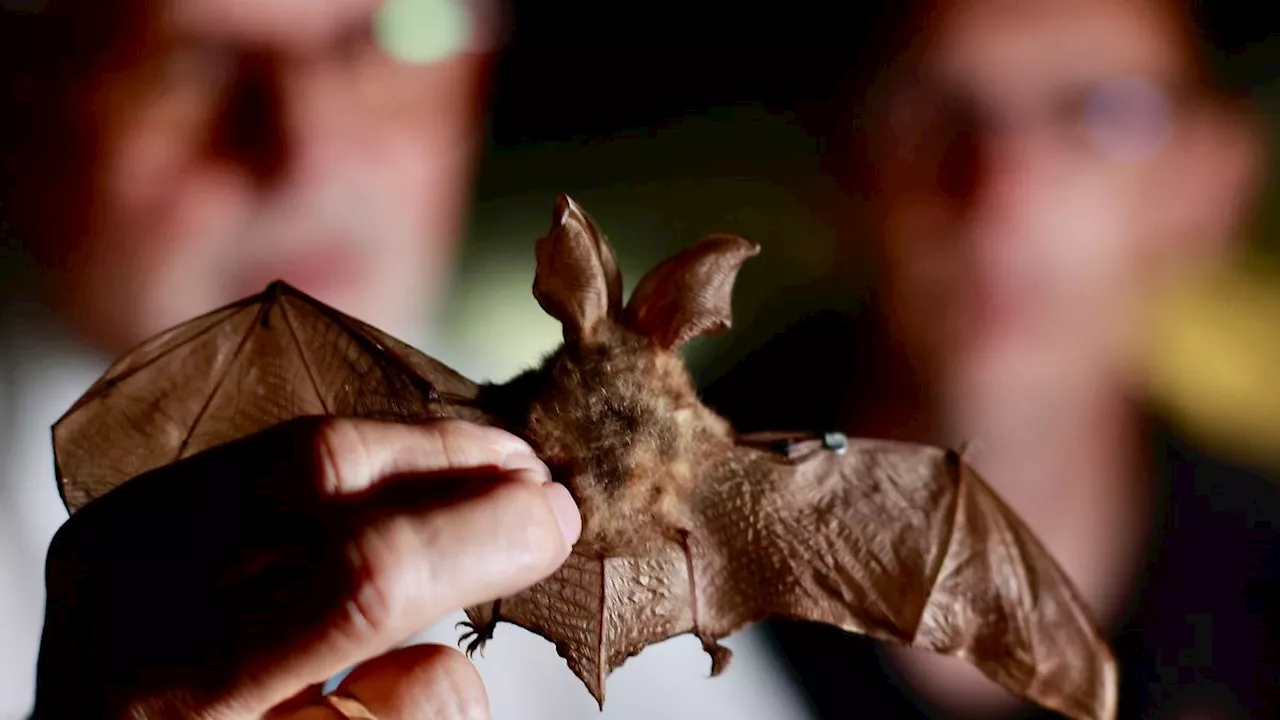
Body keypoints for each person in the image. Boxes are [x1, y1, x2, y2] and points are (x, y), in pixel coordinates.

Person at [0, 1, 812, 718]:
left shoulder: (569, 454)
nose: (306, 147)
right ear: (25, 93)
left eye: (385, 31)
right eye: (181, 59)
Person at [703, 0, 1280, 718]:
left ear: (1213, 181)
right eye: (933, 108)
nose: (1000, 192)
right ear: (848, 159)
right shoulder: (631, 544)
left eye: (1099, 115)